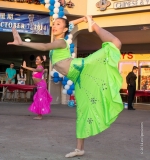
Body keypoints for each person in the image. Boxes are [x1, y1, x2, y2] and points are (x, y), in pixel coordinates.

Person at [8, 15, 123, 157]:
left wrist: (22, 43)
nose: (54, 26)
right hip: (78, 78)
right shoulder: (60, 36)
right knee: (82, 112)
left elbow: (44, 46)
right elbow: (69, 24)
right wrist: (82, 19)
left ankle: (95, 26)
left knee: (115, 43)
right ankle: (79, 149)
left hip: (81, 67)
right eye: (53, 24)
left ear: (63, 29)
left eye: (58, 24)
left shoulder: (61, 42)